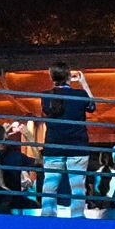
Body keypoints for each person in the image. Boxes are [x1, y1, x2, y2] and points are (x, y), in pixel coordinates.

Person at [40, 70, 98, 215]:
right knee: (78, 185)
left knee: (50, 184)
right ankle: (77, 216)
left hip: (53, 145)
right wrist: (83, 83)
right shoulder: (79, 95)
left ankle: (47, 215)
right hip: (77, 145)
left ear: (51, 77)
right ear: (68, 77)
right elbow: (92, 107)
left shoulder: (46, 96)